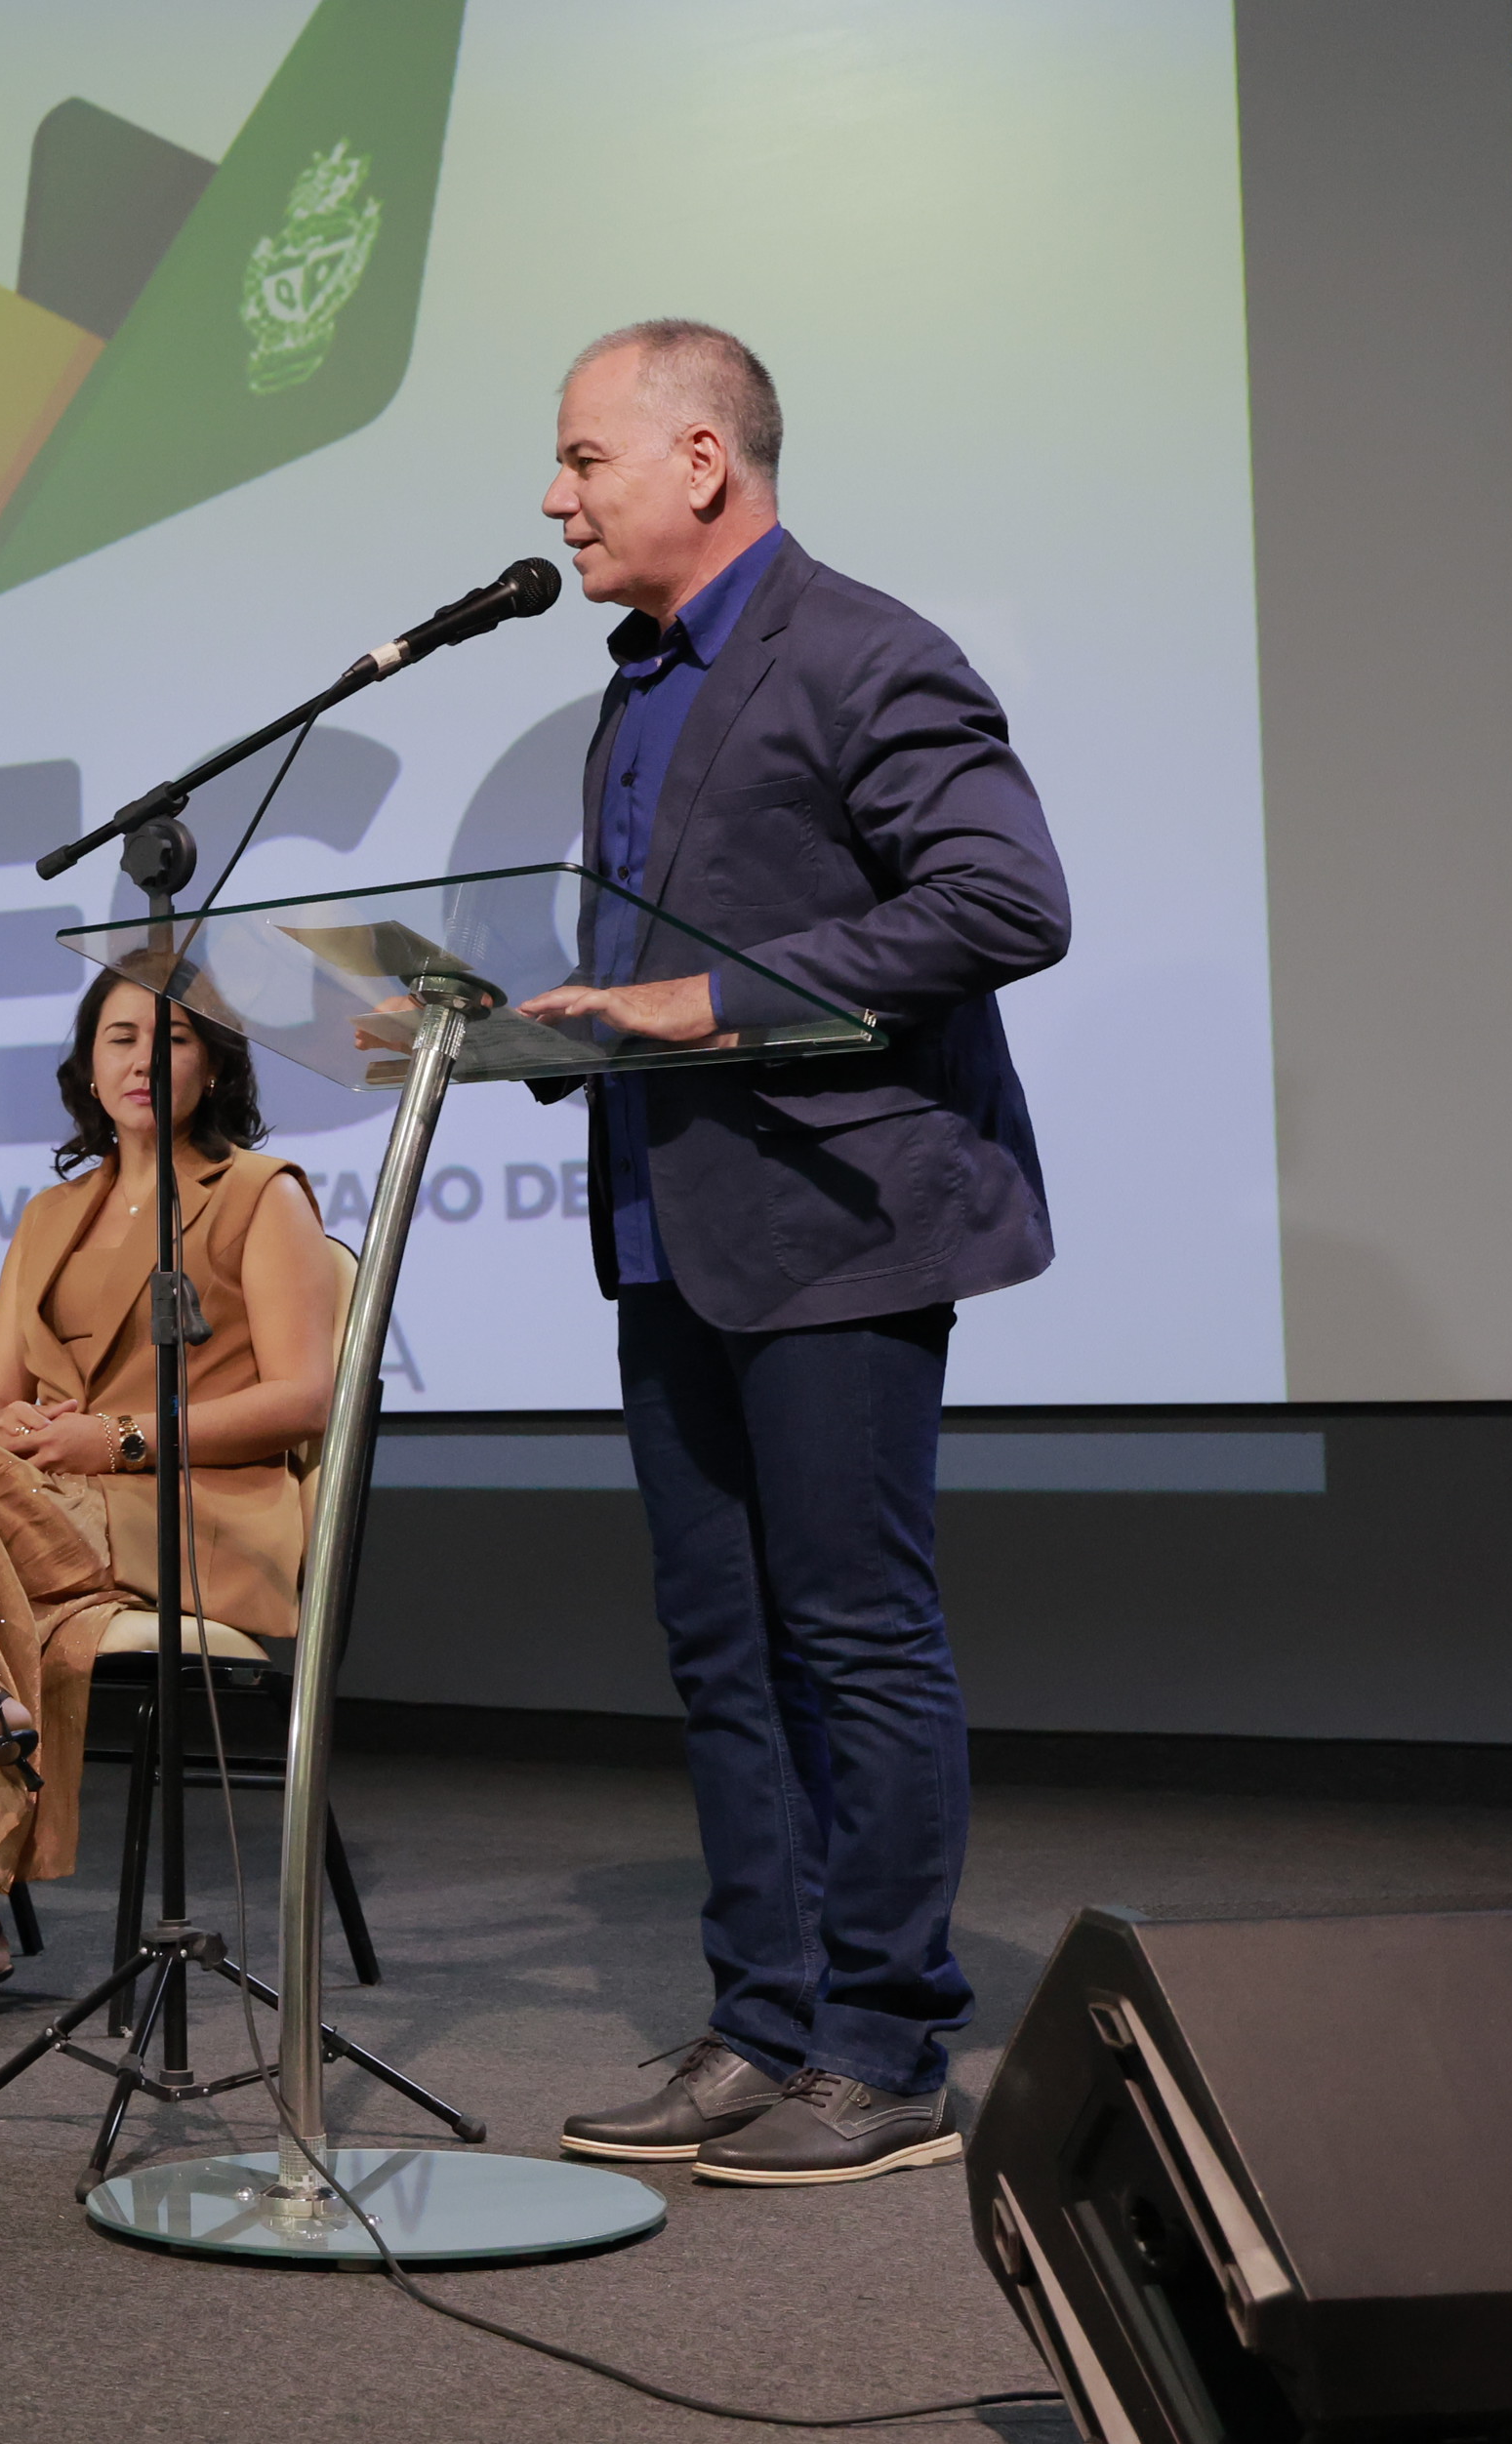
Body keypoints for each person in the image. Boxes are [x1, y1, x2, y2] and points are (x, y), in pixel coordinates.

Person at [510, 321, 1067, 2188]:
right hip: (668, 1224)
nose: (553, 497)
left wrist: (705, 1001)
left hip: (835, 1223)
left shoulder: (860, 649)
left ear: (698, 458)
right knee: (720, 1651)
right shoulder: (636, 682)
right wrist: (542, 1029)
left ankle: (885, 2050)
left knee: (850, 1635)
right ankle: (758, 2023)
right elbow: (659, 967)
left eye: (580, 457)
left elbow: (1001, 899)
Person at [0, 972, 341, 2034]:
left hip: (190, 1514)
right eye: (120, 1037)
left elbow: (303, 1397)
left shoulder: (261, 1193)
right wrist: (14, 1428)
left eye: (173, 1040)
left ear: (215, 1066)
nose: (143, 1060)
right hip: (56, 1503)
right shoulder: (51, 1213)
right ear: (89, 1067)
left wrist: (118, 1437)